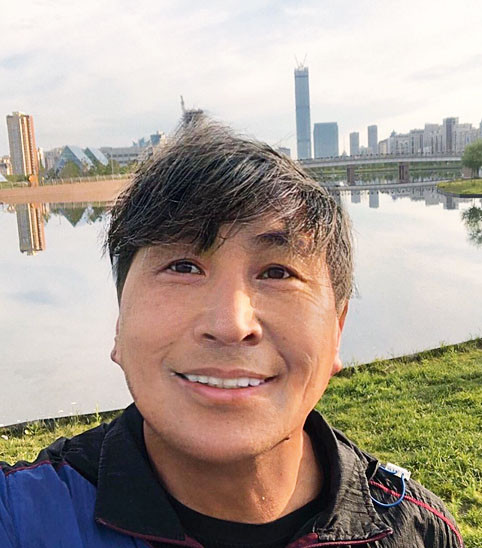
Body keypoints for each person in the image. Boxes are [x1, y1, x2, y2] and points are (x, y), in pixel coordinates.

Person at [0, 119, 463, 547]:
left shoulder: (419, 533)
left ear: (336, 330)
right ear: (120, 322)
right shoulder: (22, 518)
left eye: (278, 273)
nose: (230, 325)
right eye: (183, 266)